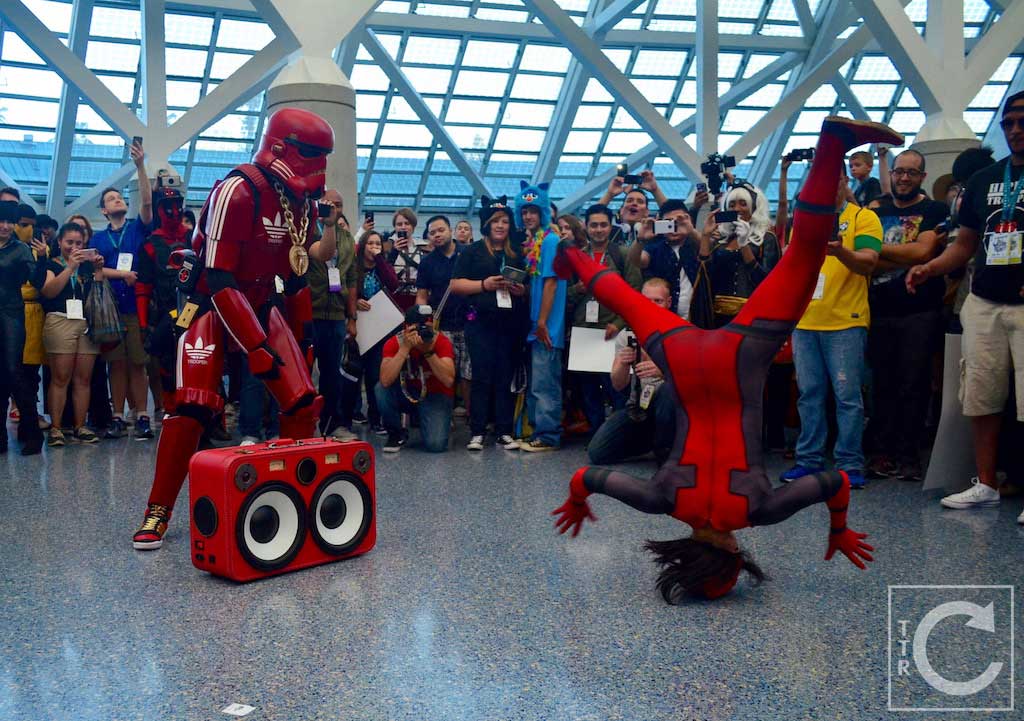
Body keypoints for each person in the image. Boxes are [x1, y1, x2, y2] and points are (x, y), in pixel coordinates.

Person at [550, 117, 902, 602]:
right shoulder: (662, 500)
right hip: (686, 357)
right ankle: (574, 258)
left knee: (804, 255)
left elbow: (835, 482)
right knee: (632, 301)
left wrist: (838, 530)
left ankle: (831, 146)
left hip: (740, 359)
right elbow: (584, 476)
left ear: (735, 557)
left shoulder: (758, 510)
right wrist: (576, 501)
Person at [132, 108, 339, 551]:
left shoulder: (299, 203)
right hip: (212, 304)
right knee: (192, 409)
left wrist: (303, 339)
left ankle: (295, 504)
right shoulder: (238, 190)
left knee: (302, 400)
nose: (318, 166)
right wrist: (257, 347)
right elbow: (220, 276)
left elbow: (298, 275)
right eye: (311, 153)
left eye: (324, 156)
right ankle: (158, 510)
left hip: (263, 304)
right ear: (281, 147)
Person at [906, 90, 1024, 522]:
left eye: (1022, 122)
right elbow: (967, 246)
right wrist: (931, 268)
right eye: (1009, 122)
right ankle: (987, 484)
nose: (1014, 130)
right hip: (985, 300)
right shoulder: (984, 181)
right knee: (981, 395)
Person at [780, 171, 883, 490]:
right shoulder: (805, 220)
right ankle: (808, 459)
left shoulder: (864, 218)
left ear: (844, 182)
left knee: (847, 396)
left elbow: (869, 261)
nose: (824, 186)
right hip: (806, 321)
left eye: (832, 179)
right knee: (809, 395)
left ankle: (849, 463)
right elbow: (792, 264)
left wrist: (841, 251)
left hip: (846, 322)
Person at [864, 149, 949, 480]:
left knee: (914, 384)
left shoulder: (934, 209)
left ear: (922, 177)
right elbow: (871, 258)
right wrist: (904, 257)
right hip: (879, 310)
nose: (904, 178)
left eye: (912, 173)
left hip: (920, 311)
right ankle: (881, 453)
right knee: (882, 385)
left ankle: (909, 455)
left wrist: (875, 249)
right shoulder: (876, 209)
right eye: (899, 172)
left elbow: (924, 251)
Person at [451, 202, 528, 451]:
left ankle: (504, 430)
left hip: (509, 323)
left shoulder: (517, 252)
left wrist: (520, 289)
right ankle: (478, 430)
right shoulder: (472, 251)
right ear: (487, 224)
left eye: (505, 221)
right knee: (481, 376)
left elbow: (528, 286)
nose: (500, 225)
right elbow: (456, 285)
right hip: (480, 322)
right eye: (496, 221)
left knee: (505, 376)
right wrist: (484, 284)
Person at [92, 138, 153, 439]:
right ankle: (118, 414)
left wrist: (140, 165)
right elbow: (95, 269)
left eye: (119, 197)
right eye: (111, 199)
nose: (117, 200)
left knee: (138, 363)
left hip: (136, 307)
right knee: (116, 364)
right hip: (110, 310)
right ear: (104, 211)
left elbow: (147, 202)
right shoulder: (98, 240)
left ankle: (142, 413)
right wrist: (123, 275)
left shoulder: (137, 227)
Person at [586, 278, 676, 466]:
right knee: (598, 453)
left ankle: (667, 451)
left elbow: (695, 380)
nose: (651, 306)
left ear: (669, 303)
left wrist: (665, 371)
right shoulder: (627, 334)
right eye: (646, 300)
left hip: (674, 408)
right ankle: (652, 441)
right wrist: (623, 364)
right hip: (638, 407)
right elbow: (618, 385)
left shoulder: (680, 332)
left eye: (657, 301)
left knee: (669, 392)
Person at [568, 204, 640, 435]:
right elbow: (564, 295)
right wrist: (576, 290)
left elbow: (634, 293)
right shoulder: (577, 257)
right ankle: (597, 434)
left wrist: (619, 324)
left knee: (616, 388)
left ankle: (618, 435)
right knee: (588, 390)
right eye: (594, 225)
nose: (599, 230)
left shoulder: (623, 254)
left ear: (611, 226)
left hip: (613, 330)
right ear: (586, 227)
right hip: (583, 330)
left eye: (603, 225)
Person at [37, 223, 104, 446]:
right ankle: (56, 427)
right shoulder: (51, 264)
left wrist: (98, 270)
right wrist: (70, 268)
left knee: (83, 379)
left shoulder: (86, 267)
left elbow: (98, 292)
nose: (74, 247)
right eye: (69, 242)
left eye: (79, 243)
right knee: (60, 378)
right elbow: (48, 291)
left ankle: (80, 425)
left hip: (85, 322)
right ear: (60, 243)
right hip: (59, 320)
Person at [517, 182, 567, 453]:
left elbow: (551, 283)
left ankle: (548, 436)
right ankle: (537, 431)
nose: (528, 216)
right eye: (524, 211)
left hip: (548, 326)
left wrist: (543, 322)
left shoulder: (549, 241)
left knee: (545, 383)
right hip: (539, 324)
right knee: (538, 381)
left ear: (543, 213)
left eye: (533, 211)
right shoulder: (536, 241)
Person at [307, 188, 358, 440]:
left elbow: (351, 278)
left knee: (332, 372)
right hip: (310, 312)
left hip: (336, 314)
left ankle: (333, 423)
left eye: (338, 205)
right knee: (304, 372)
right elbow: (320, 254)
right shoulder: (308, 231)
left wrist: (352, 317)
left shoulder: (347, 239)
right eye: (329, 204)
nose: (334, 208)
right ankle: (304, 424)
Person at [698, 181, 781, 327]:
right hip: (718, 318)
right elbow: (704, 277)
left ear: (753, 207)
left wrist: (744, 245)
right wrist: (705, 236)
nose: (737, 209)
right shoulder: (722, 239)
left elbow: (767, 281)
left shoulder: (766, 238)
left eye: (743, 204)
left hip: (753, 317)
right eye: (732, 205)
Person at [376, 304, 456, 453]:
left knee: (435, 445)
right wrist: (404, 349)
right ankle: (395, 433)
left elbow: (449, 380)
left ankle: (427, 420)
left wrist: (429, 353)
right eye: (417, 328)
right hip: (406, 393)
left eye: (426, 327)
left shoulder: (441, 341)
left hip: (435, 395)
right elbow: (385, 380)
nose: (422, 333)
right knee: (380, 389)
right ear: (406, 328)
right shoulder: (395, 342)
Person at [0, 200, 44, 455]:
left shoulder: (20, 249)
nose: (5, 226)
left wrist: (41, 259)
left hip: (12, 314)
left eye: (9, 222)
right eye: (1, 221)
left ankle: (33, 435)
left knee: (14, 372)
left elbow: (35, 278)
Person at [416, 215, 470, 416]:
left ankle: (473, 421)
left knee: (469, 374)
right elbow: (422, 295)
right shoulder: (427, 263)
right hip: (441, 325)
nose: (437, 235)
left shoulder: (468, 254)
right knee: (444, 374)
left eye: (441, 230)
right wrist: (420, 321)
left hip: (469, 323)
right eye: (432, 233)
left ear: (450, 231)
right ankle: (445, 418)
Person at [351, 230, 400, 434]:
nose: (374, 247)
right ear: (362, 245)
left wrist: (380, 259)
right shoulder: (354, 267)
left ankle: (375, 417)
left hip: (379, 328)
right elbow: (345, 290)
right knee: (354, 373)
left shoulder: (382, 267)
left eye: (377, 243)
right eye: (370, 243)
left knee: (374, 374)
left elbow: (394, 284)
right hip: (358, 325)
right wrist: (353, 302)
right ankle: (351, 413)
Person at [629, 199, 701, 320]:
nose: (673, 227)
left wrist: (691, 230)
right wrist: (640, 240)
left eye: (678, 222)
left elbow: (708, 249)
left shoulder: (695, 244)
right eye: (668, 223)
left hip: (696, 318)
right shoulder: (655, 247)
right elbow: (637, 261)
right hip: (662, 317)